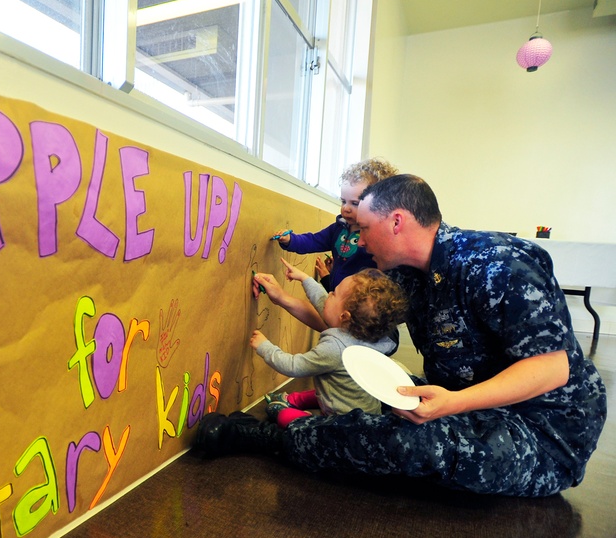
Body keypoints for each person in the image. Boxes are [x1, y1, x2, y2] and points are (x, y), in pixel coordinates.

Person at [197, 174, 607, 497]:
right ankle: (300, 427)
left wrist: (454, 403)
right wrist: (282, 297)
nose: (358, 241)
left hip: (542, 431)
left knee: (412, 444)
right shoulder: (407, 277)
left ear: (396, 221)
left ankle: (271, 439)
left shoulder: (496, 265)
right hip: (469, 402)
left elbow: (552, 369)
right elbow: (345, 328)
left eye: (364, 229)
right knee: (381, 391)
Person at [251, 261, 407, 426]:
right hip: (362, 412)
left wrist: (264, 347)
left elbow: (294, 366)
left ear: (344, 317)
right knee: (327, 390)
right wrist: (304, 278)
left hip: (342, 426)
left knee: (282, 415)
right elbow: (323, 303)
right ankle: (294, 400)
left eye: (333, 293)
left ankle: (307, 416)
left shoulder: (336, 348)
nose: (329, 293)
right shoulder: (368, 333)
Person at [275, 158, 398, 291]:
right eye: (343, 201)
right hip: (337, 296)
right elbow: (313, 241)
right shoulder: (338, 229)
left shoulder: (377, 238)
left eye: (354, 203)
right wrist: (290, 240)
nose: (346, 208)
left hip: (361, 300)